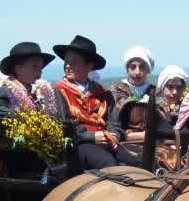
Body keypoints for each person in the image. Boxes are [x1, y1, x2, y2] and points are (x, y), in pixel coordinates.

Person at [52, 34, 133, 170]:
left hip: (106, 142)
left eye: (74, 62)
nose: (67, 66)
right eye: (66, 62)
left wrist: (112, 136)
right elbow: (63, 128)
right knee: (108, 163)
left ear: (89, 66)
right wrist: (92, 137)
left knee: (141, 157)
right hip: (78, 145)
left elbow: (114, 123)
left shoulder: (103, 93)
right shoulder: (59, 92)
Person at [0, 42, 55, 119]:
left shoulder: (36, 94)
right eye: (34, 67)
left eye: (40, 68)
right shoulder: (4, 92)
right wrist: (25, 118)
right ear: (18, 69)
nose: (39, 71)